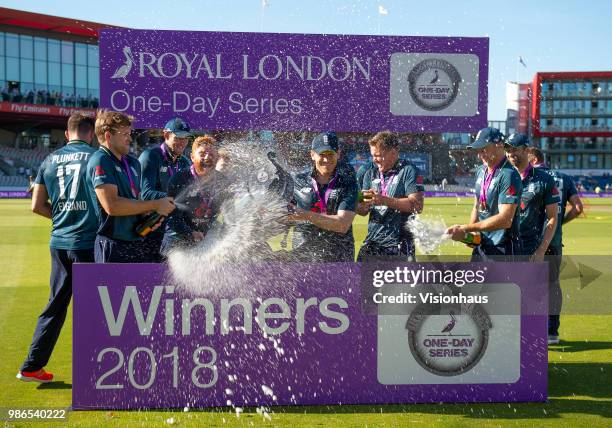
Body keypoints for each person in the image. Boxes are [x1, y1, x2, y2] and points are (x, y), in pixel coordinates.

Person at [17, 113, 98, 383]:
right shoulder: (96, 157)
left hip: (60, 242)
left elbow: (36, 206)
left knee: (55, 305)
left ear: (66, 134)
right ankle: (97, 372)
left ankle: (31, 366)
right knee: (97, 308)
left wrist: (64, 216)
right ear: (92, 134)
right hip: (88, 242)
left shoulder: (49, 160)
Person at [86, 110, 175, 263]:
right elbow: (112, 206)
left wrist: (149, 215)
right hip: (112, 244)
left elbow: (135, 200)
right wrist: (155, 204)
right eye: (125, 134)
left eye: (130, 133)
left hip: (136, 241)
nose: (130, 138)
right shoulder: (101, 160)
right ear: (108, 136)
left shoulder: (132, 162)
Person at [527, 146, 583, 344]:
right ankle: (552, 331)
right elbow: (578, 208)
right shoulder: (564, 177)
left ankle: (529, 330)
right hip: (555, 239)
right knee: (552, 285)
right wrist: (560, 222)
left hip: (530, 240)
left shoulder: (530, 176)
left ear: (532, 158)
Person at [446, 127, 523, 259]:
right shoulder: (481, 171)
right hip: (481, 247)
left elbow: (505, 220)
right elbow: (477, 206)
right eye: (478, 150)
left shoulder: (509, 175)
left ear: (498, 145)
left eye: (484, 149)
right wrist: (469, 237)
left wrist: (466, 228)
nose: (480, 154)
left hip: (503, 249)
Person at [289, 132, 358, 261]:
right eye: (322, 154)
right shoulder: (297, 181)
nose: (326, 159)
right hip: (303, 257)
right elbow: (286, 215)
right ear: (312, 155)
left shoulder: (348, 182)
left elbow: (342, 225)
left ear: (338, 154)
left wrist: (304, 214)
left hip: (339, 259)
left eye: (331, 154)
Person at [356, 131, 424, 261]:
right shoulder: (368, 171)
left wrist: (383, 200)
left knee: (397, 282)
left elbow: (417, 206)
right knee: (359, 278)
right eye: (372, 156)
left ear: (393, 153)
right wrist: (360, 201)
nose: (374, 159)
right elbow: (363, 210)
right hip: (372, 242)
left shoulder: (408, 170)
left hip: (400, 244)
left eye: (378, 155)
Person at [139, 117, 193, 261]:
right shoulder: (151, 156)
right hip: (151, 228)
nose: (183, 142)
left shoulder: (185, 162)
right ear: (166, 135)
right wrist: (177, 199)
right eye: (178, 137)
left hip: (174, 230)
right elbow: (146, 194)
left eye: (186, 138)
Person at [162, 136, 228, 253]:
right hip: (177, 244)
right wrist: (190, 233)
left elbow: (231, 211)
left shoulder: (223, 181)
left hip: (205, 244)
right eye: (202, 154)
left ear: (217, 158)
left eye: (212, 154)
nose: (207, 157)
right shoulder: (180, 179)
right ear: (192, 157)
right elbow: (172, 217)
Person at [504, 133, 559, 262]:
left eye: (515, 149)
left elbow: (552, 218)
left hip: (530, 250)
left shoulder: (545, 179)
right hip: (503, 248)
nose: (510, 153)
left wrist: (541, 250)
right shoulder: (502, 177)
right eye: (508, 150)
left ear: (527, 150)